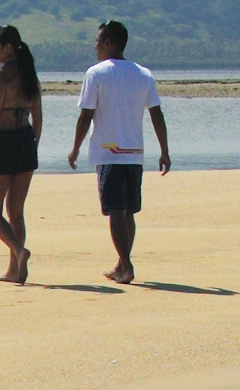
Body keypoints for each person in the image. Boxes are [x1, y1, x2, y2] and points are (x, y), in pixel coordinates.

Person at [66, 20, 171, 284]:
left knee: (115, 210)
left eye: (99, 41)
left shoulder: (96, 73)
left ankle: (125, 265)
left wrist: (76, 147)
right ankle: (121, 264)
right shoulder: (143, 74)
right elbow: (156, 113)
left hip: (109, 153)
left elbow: (86, 115)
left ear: (110, 43)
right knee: (127, 212)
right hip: (134, 153)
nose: (95, 46)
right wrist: (164, 150)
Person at [0, 24, 43, 285]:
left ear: (8, 48)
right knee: (16, 212)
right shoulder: (30, 75)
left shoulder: (1, 75)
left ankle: (18, 251)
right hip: (25, 141)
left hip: (2, 142)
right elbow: (37, 120)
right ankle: (14, 270)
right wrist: (31, 146)